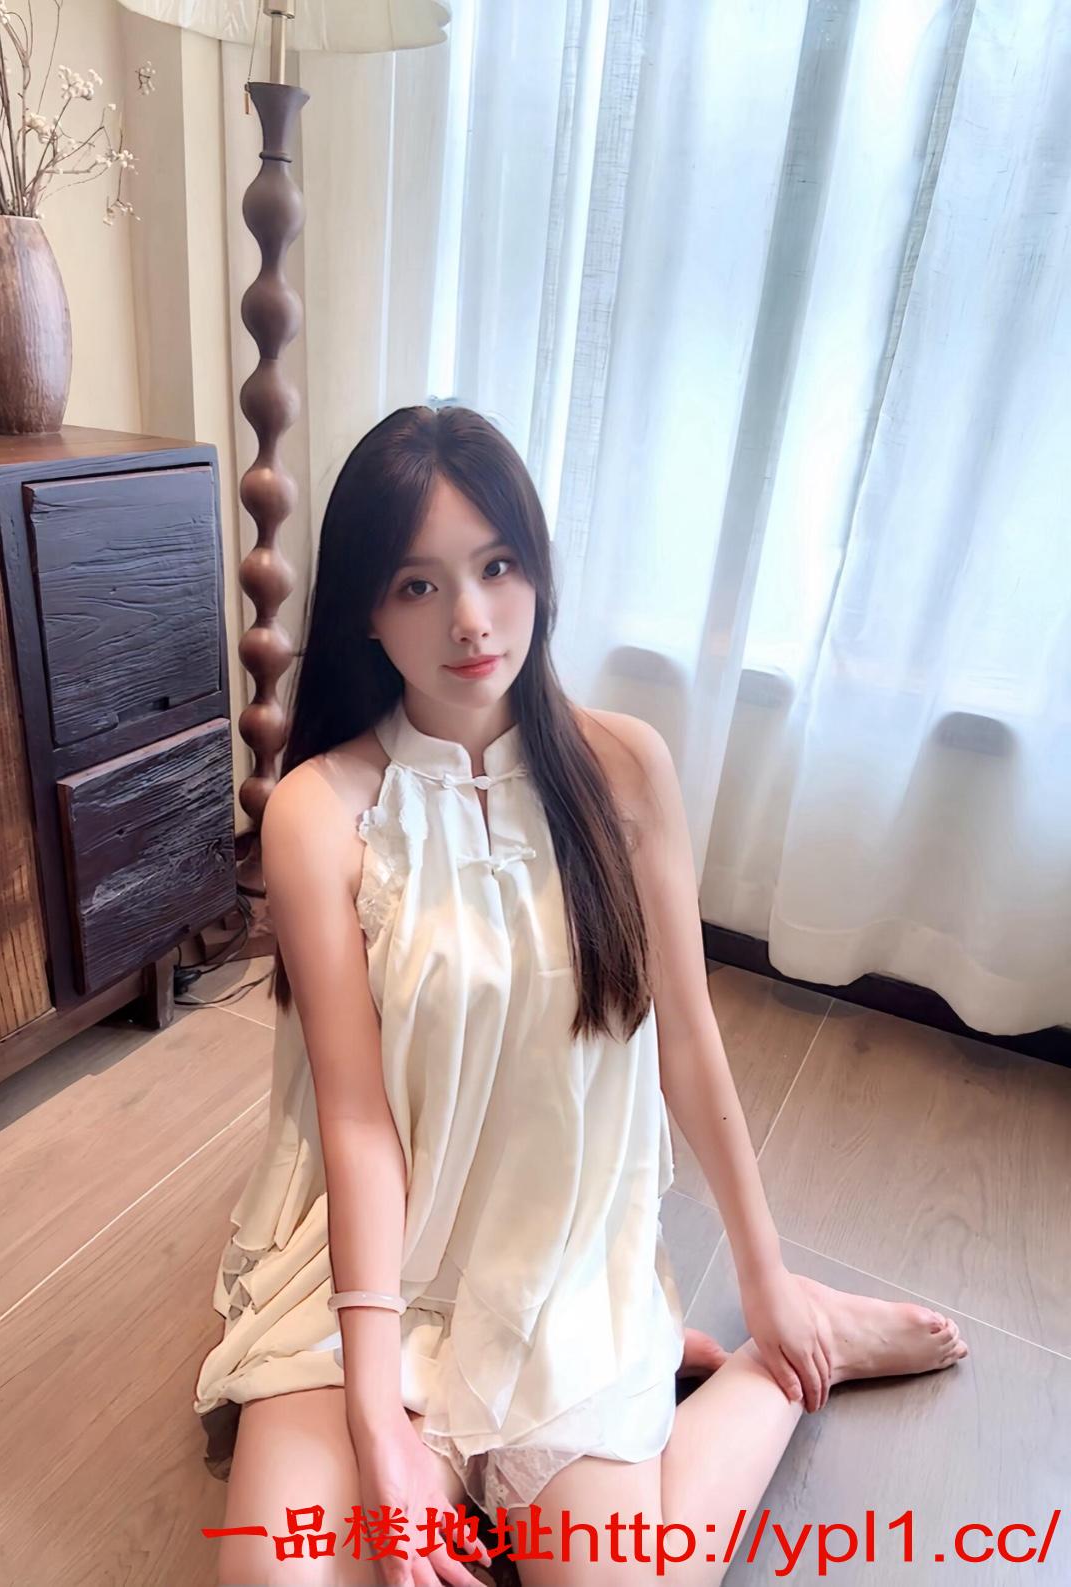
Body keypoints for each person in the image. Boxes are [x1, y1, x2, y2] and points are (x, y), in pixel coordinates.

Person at [195, 405, 969, 1587]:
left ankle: (778, 1364)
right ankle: (601, 1391)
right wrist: (377, 1421)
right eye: (418, 584)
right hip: (374, 1277)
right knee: (274, 1580)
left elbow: (687, 1042)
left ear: (539, 571)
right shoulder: (320, 811)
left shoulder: (624, 768)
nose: (471, 617)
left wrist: (764, 1277)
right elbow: (355, 1122)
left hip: (558, 1271)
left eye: (499, 565)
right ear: (364, 609)